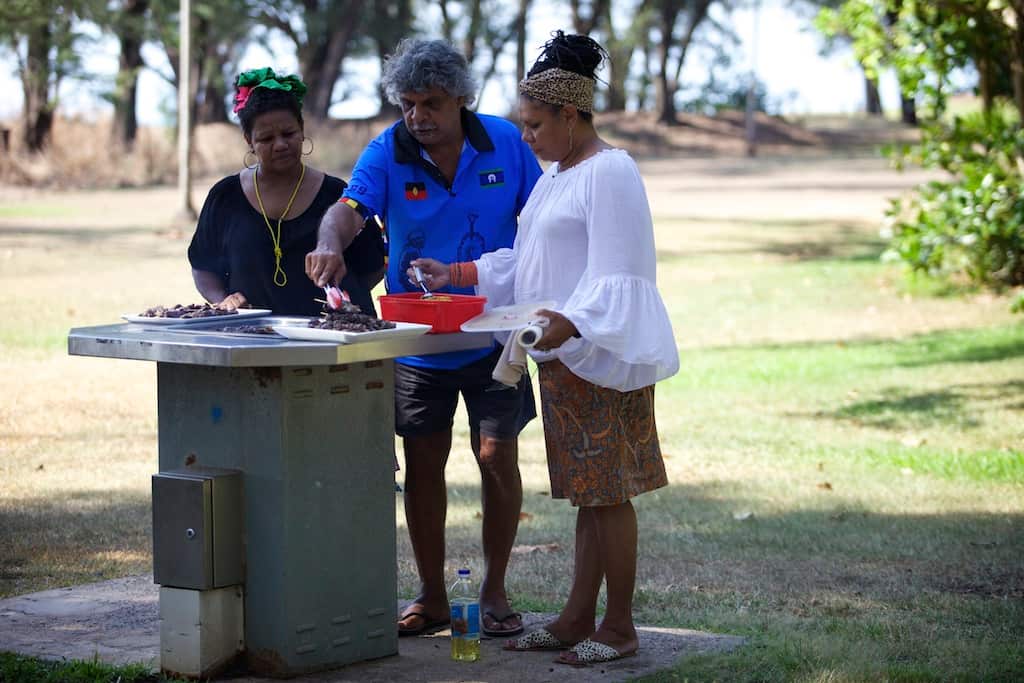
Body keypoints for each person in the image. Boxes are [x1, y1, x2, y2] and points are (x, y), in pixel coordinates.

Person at [410, 31, 679, 665]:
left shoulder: (610, 171)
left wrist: (573, 321)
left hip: (599, 356)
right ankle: (575, 618)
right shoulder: (559, 176)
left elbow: (620, 272)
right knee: (590, 493)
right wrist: (463, 275)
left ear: (570, 114)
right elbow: (532, 261)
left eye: (534, 125)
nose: (525, 137)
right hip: (561, 355)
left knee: (609, 492)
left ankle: (618, 629)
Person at [305, 40, 544, 638]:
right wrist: (330, 243)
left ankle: (492, 591)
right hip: (417, 342)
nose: (418, 116)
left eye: (432, 103)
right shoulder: (389, 149)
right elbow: (348, 209)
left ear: (462, 98)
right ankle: (433, 594)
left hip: (497, 337)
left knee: (496, 457)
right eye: (408, 103)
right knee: (423, 464)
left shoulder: (506, 143)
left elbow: (542, 222)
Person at [189, 68, 384, 316]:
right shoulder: (225, 196)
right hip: (254, 341)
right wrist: (224, 301)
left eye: (289, 133)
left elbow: (373, 267)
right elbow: (203, 265)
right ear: (249, 140)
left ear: (302, 130)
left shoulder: (338, 195)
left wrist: (338, 300)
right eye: (267, 138)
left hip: (332, 340)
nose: (280, 145)